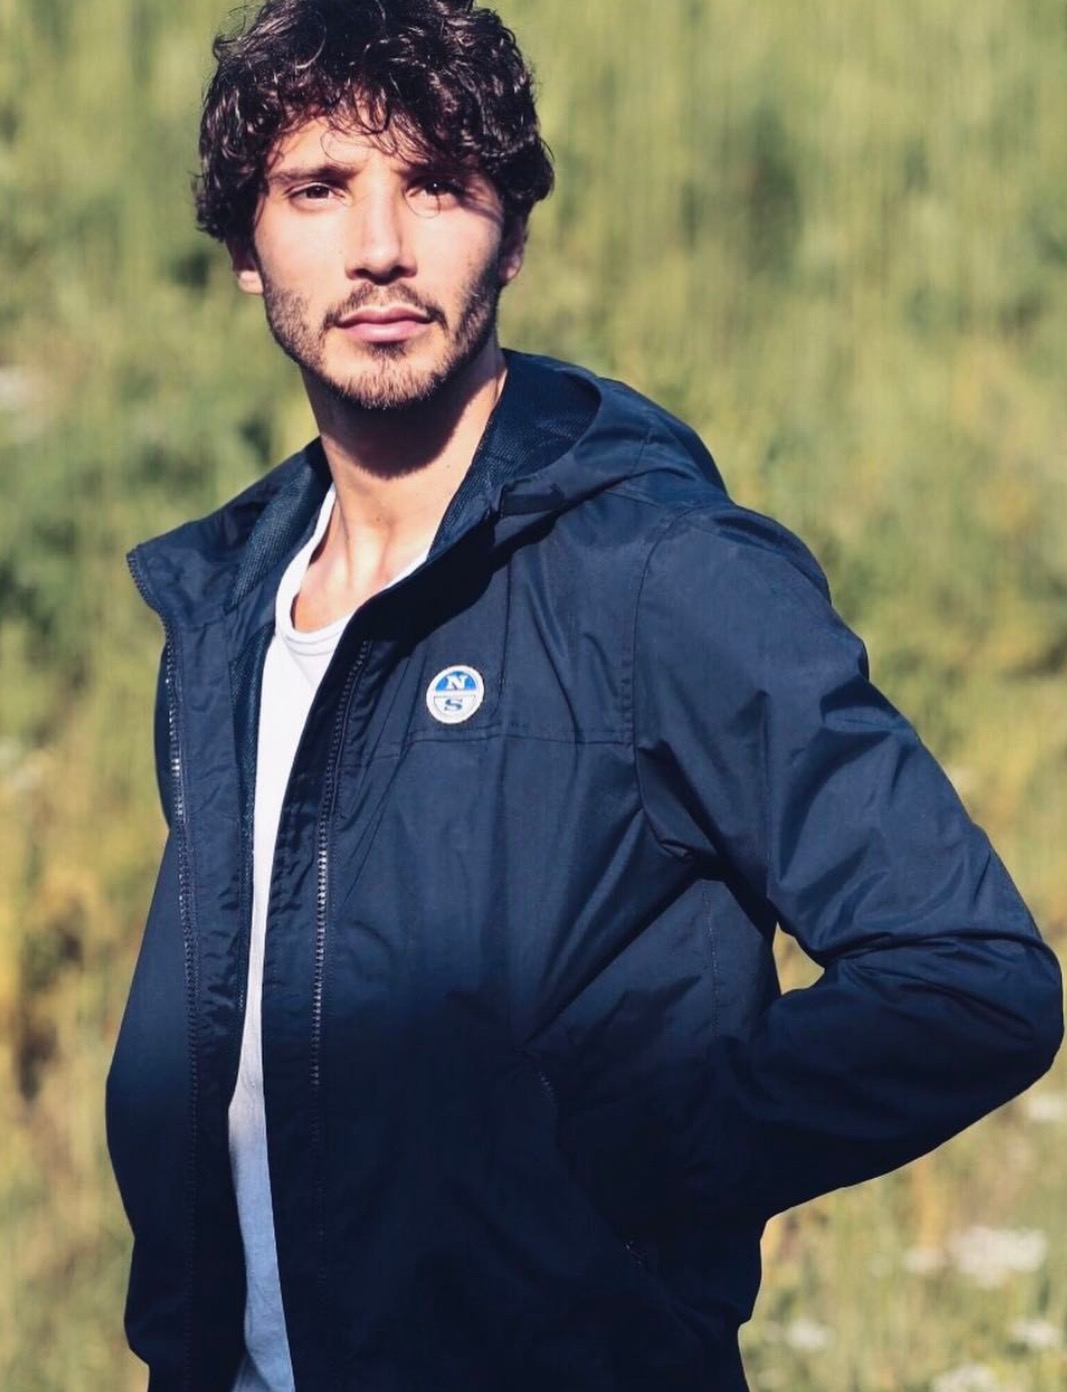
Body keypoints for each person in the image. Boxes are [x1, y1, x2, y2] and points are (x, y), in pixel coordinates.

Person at [105, 2, 1063, 1389]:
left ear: (511, 230)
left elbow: (971, 974)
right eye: (319, 188)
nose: (380, 247)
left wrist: (637, 1159)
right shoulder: (226, 614)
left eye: (437, 184)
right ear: (247, 247)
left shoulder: (658, 573)